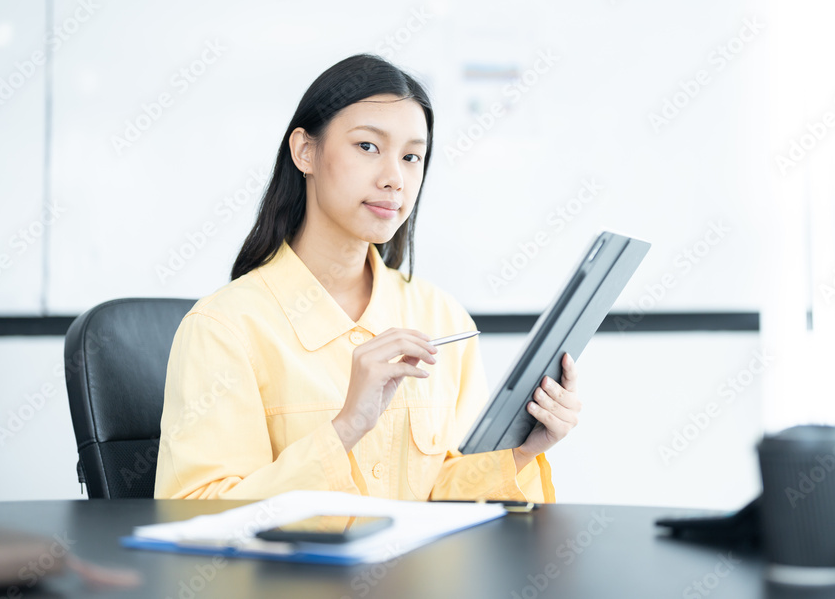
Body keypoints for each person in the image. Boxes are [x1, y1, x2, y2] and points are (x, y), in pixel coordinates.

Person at [154, 53, 581, 502]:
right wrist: (345, 429)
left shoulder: (442, 317)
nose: (395, 178)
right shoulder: (224, 328)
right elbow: (194, 516)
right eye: (368, 147)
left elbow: (443, 500)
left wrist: (521, 452)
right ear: (305, 151)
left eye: (413, 156)